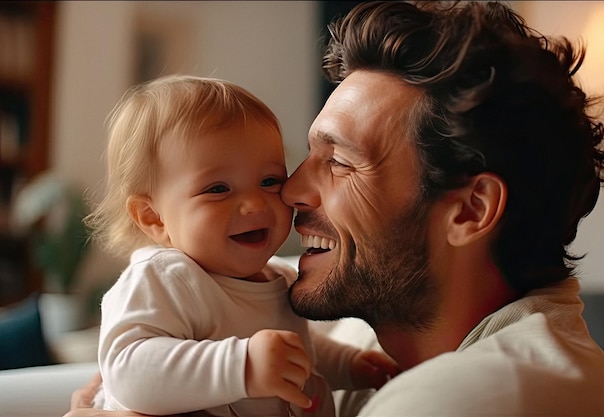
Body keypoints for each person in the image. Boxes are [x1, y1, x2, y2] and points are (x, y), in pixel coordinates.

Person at [66, 1, 604, 416]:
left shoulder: (483, 397)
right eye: (306, 157)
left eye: (339, 162)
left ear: (469, 210)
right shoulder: (382, 330)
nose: (286, 192)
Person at [80, 75, 397, 417]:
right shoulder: (166, 278)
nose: (255, 205)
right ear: (153, 217)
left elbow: (295, 348)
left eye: (269, 181)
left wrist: (349, 365)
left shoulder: (279, 278)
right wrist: (241, 367)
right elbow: (128, 373)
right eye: (218, 189)